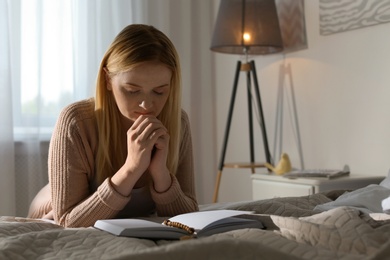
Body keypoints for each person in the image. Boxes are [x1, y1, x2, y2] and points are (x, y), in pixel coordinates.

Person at [27, 24, 199, 227]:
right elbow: (68, 222)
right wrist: (131, 168)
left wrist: (161, 174)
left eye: (159, 91)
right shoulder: (76, 122)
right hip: (47, 210)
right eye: (132, 90)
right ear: (108, 80)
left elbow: (189, 218)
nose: (146, 105)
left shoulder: (177, 122)